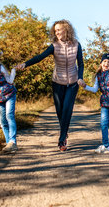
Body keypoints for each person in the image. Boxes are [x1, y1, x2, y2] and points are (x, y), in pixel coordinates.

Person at [16, 19, 84, 151]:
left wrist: (80, 78)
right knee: (59, 111)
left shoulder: (77, 45)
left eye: (59, 29)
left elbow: (80, 63)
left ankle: (62, 139)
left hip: (73, 82)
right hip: (58, 82)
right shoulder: (54, 46)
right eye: (55, 30)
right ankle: (64, 130)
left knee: (67, 110)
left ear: (67, 30)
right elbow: (39, 57)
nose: (57, 32)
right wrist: (25, 64)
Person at [83, 53, 109, 154]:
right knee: (103, 124)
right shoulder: (98, 75)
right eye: (104, 61)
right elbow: (95, 89)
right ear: (101, 63)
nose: (106, 63)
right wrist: (85, 86)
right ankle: (106, 145)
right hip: (105, 103)